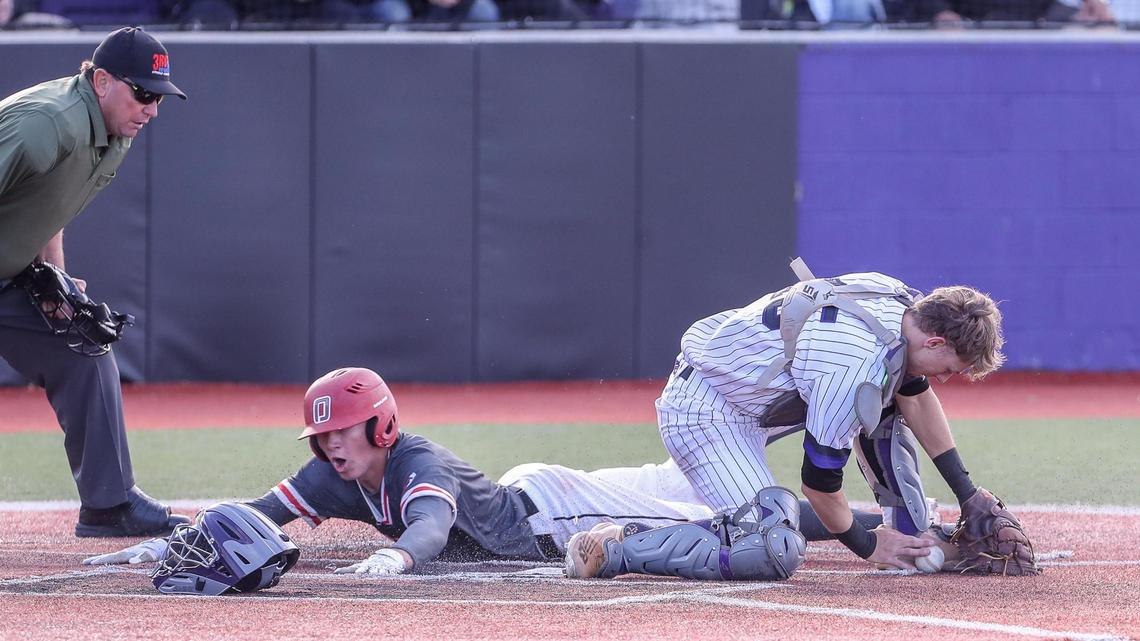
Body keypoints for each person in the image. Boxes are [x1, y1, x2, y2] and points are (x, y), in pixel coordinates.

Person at [573, 259, 1010, 575]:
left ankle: (914, 537)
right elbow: (819, 484)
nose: (948, 379)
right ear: (934, 342)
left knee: (892, 395)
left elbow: (915, 397)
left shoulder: (895, 301)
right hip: (708, 409)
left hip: (766, 389)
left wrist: (967, 492)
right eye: (952, 368)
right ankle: (622, 545)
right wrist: (867, 544)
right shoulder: (852, 368)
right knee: (768, 545)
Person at [84, 367, 741, 575]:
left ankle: (832, 518)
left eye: (343, 430)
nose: (332, 444)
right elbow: (254, 513)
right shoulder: (332, 475)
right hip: (535, 495)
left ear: (381, 426)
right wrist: (170, 543)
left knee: (726, 516)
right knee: (671, 480)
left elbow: (428, 529)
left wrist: (397, 558)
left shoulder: (415, 460)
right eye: (322, 435)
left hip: (554, 510)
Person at [0, 27, 189, 537]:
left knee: (82, 348)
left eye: (160, 97)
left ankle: (108, 503)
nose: (152, 108)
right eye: (144, 93)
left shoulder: (114, 131)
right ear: (102, 80)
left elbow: (49, 205)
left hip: (8, 279)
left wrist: (54, 276)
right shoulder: (47, 123)